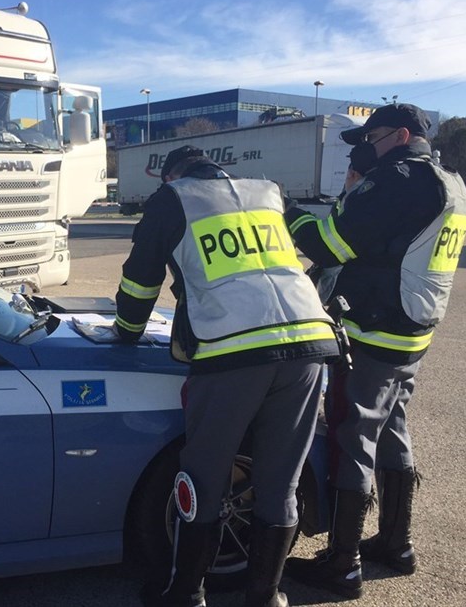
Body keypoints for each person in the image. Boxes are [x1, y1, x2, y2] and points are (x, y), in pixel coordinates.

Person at [113, 145, 341, 607]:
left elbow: (140, 280)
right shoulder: (268, 193)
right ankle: (266, 596)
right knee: (281, 482)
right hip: (309, 343)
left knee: (203, 475)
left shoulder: (173, 198)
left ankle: (185, 594)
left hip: (234, 351)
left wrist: (127, 332)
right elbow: (326, 248)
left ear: (172, 176)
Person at [282, 104, 466, 599]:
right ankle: (395, 543)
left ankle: (343, 565)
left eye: (375, 136)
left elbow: (330, 245)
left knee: (353, 433)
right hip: (414, 329)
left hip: (375, 330)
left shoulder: (399, 178)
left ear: (403, 135)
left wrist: (286, 213)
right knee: (393, 427)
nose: (367, 146)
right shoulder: (450, 182)